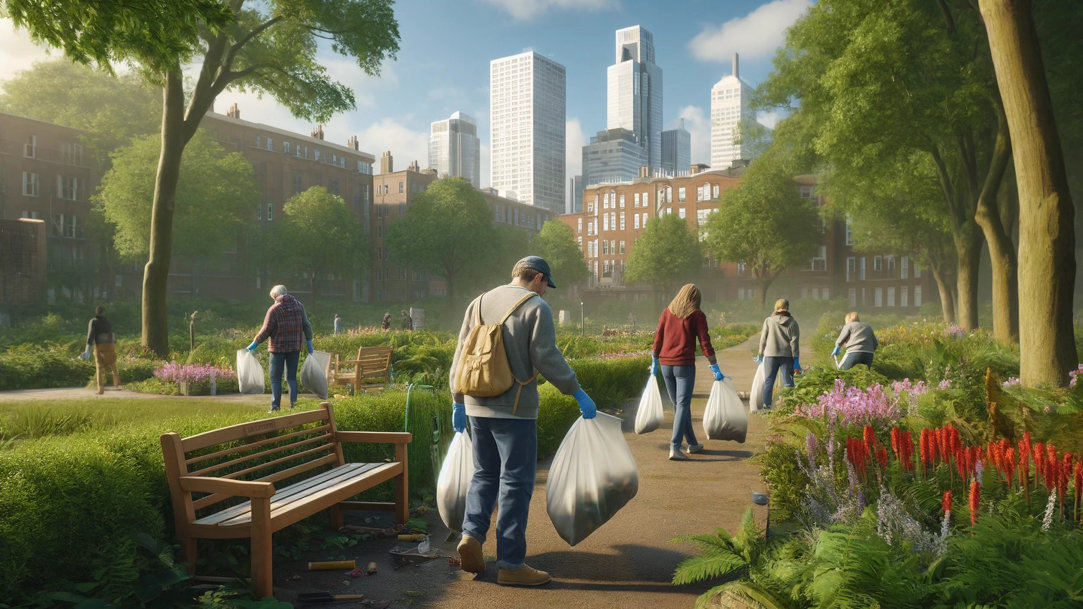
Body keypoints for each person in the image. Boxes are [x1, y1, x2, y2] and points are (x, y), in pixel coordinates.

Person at [449, 255, 597, 587]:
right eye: (547, 286)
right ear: (539, 279)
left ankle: (472, 535)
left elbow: (460, 352)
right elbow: (545, 356)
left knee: (484, 475)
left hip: (475, 404)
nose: (546, 293)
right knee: (516, 483)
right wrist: (576, 391)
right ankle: (511, 564)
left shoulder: (479, 302)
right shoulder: (535, 308)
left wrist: (457, 400)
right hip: (514, 409)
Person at [651, 283, 723, 461]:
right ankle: (675, 446)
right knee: (682, 405)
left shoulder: (666, 312)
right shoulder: (697, 315)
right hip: (684, 365)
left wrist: (654, 360)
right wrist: (714, 365)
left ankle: (691, 443)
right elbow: (705, 343)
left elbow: (658, 338)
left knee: (679, 405)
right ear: (696, 299)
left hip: (666, 364)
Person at [246, 285, 313, 413]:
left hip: (277, 348)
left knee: (276, 378)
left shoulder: (274, 309)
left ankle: (275, 407)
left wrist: (254, 344)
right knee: (291, 378)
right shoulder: (299, 306)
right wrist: (309, 343)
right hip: (294, 348)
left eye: (273, 298)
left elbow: (266, 331)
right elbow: (306, 325)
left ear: (276, 296)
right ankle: (294, 406)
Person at [755, 298, 801, 409]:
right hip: (786, 356)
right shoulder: (792, 322)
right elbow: (794, 342)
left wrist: (760, 354)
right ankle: (790, 406)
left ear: (776, 308)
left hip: (770, 356)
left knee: (769, 381)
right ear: (787, 308)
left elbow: (763, 339)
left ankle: (767, 406)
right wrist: (796, 359)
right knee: (788, 382)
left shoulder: (768, 321)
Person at [84, 305, 120, 394]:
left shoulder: (93, 321)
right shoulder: (108, 322)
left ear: (96, 312)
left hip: (100, 346)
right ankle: (117, 384)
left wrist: (87, 350)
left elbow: (91, 335)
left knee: (99, 367)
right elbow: (111, 334)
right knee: (113, 365)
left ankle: (100, 389)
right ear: (104, 313)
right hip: (110, 345)